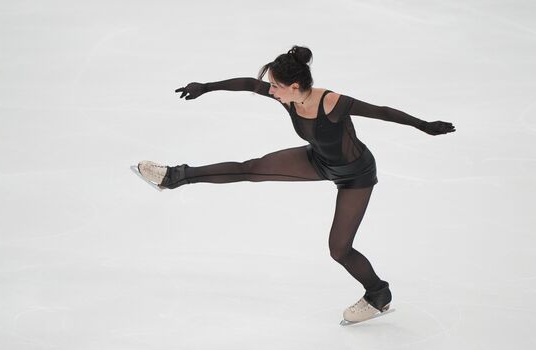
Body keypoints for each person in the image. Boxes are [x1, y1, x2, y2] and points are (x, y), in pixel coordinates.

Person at [137, 45, 456, 324]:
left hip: (355, 173)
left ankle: (378, 294)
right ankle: (174, 176)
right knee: (252, 168)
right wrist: (205, 87)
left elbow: (382, 112)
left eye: (275, 86)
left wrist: (423, 125)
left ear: (293, 85)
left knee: (338, 249)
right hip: (318, 160)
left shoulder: (333, 102)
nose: (270, 90)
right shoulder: (287, 97)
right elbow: (249, 83)